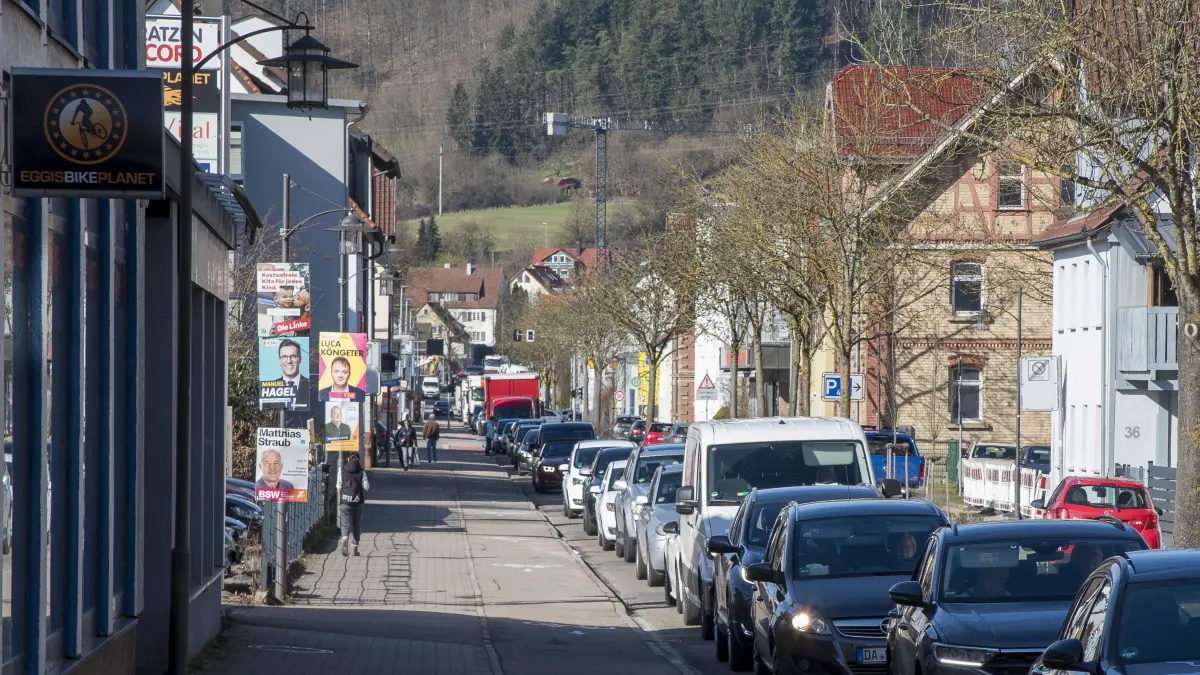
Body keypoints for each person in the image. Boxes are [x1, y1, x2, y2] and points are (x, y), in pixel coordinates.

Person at [339, 453, 370, 557]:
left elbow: (338, 485)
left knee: (344, 523)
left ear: (348, 459)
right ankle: (355, 547)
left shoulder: (342, 470)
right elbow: (367, 487)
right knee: (357, 525)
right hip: (358, 502)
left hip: (344, 501)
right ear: (358, 460)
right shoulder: (361, 471)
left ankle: (344, 538)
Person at [277, 339, 310, 411]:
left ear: (300, 359)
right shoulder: (270, 387)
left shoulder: (311, 386)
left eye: (293, 356)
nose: (289, 361)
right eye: (284, 357)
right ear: (280, 360)